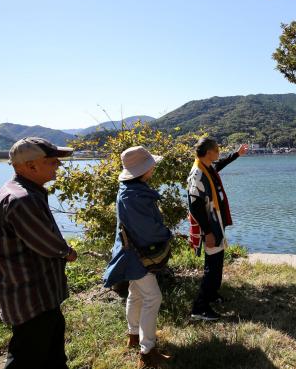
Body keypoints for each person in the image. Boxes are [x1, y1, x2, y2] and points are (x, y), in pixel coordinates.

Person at [0, 137, 78, 369]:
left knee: (51, 357)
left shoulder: (23, 191)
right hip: (32, 299)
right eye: (52, 161)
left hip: (37, 296)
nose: (58, 165)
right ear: (30, 166)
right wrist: (68, 252)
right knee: (28, 358)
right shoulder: (22, 199)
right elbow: (48, 245)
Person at [102, 146, 172, 368]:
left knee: (136, 293)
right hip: (137, 255)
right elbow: (147, 230)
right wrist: (166, 233)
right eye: (151, 164)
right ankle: (147, 351)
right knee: (153, 298)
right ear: (144, 169)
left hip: (128, 252)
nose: (154, 167)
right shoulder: (134, 194)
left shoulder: (129, 188)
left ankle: (133, 335)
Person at [187, 138, 248, 321]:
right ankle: (200, 307)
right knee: (212, 267)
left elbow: (219, 165)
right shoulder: (197, 174)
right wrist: (208, 232)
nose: (218, 153)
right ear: (208, 153)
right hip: (210, 228)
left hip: (216, 223)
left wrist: (236, 155)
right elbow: (195, 207)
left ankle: (212, 294)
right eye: (217, 150)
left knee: (217, 261)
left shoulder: (207, 167)